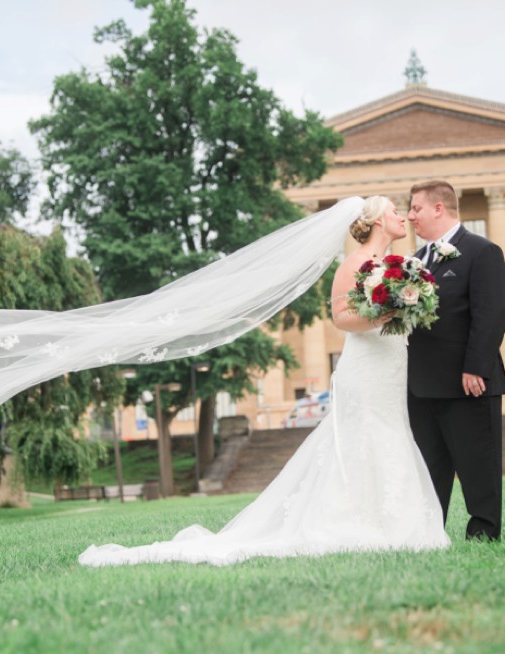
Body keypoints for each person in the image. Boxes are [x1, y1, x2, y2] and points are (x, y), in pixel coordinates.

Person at [77, 196, 450, 567]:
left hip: (390, 364)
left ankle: (395, 521)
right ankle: (356, 521)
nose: (402, 217)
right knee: (366, 434)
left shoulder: (398, 266)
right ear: (377, 221)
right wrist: (386, 313)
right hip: (365, 367)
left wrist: (407, 308)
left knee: (391, 430)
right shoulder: (354, 264)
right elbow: (341, 317)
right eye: (394, 212)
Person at [406, 180, 505, 541]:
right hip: (422, 386)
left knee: (477, 462)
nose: (410, 215)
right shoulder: (415, 262)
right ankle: (430, 534)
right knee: (429, 467)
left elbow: (490, 314)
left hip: (468, 381)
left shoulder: (483, 252)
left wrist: (475, 367)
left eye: (416, 208)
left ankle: (483, 530)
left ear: (439, 208)